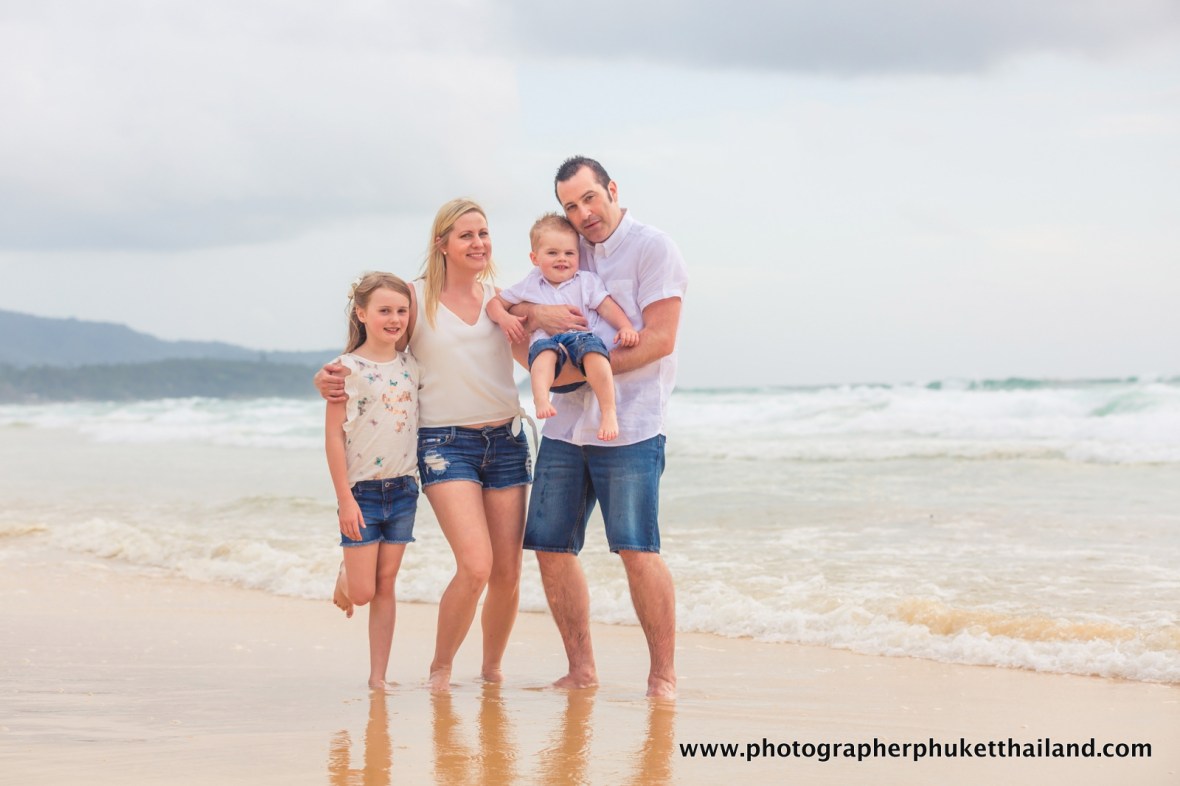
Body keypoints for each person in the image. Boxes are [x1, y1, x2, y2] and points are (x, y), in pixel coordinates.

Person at [316, 199, 531, 693]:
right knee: (476, 565)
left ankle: (492, 671)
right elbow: (376, 352)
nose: (479, 243)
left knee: (507, 572)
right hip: (443, 445)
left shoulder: (500, 298)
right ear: (443, 245)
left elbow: (529, 354)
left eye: (484, 233)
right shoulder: (414, 299)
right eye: (466, 235)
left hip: (507, 442)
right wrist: (326, 377)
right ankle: (441, 669)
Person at [512, 156, 687, 699]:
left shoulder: (652, 247)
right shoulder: (563, 248)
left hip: (630, 423)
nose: (582, 213)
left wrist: (586, 369)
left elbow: (660, 338)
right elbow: (518, 316)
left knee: (637, 547)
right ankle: (581, 670)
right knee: (549, 546)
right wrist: (538, 319)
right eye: (571, 205)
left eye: (590, 198)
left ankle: (662, 676)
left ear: (612, 190)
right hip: (564, 425)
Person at [326, 271, 420, 690]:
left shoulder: (412, 363)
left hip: (403, 489)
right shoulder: (344, 369)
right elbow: (333, 437)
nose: (395, 318)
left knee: (386, 587)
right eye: (384, 310)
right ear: (361, 314)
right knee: (362, 592)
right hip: (361, 493)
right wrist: (344, 499)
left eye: (402, 310)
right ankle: (346, 575)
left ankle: (378, 677)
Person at [487, 213, 639, 440]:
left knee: (596, 355)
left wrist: (625, 326)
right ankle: (541, 399)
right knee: (542, 355)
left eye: (570, 253)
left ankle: (608, 412)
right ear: (534, 258)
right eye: (552, 253)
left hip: (581, 337)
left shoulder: (585, 281)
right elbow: (494, 303)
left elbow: (607, 307)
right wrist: (504, 317)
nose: (562, 259)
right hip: (546, 339)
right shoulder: (531, 283)